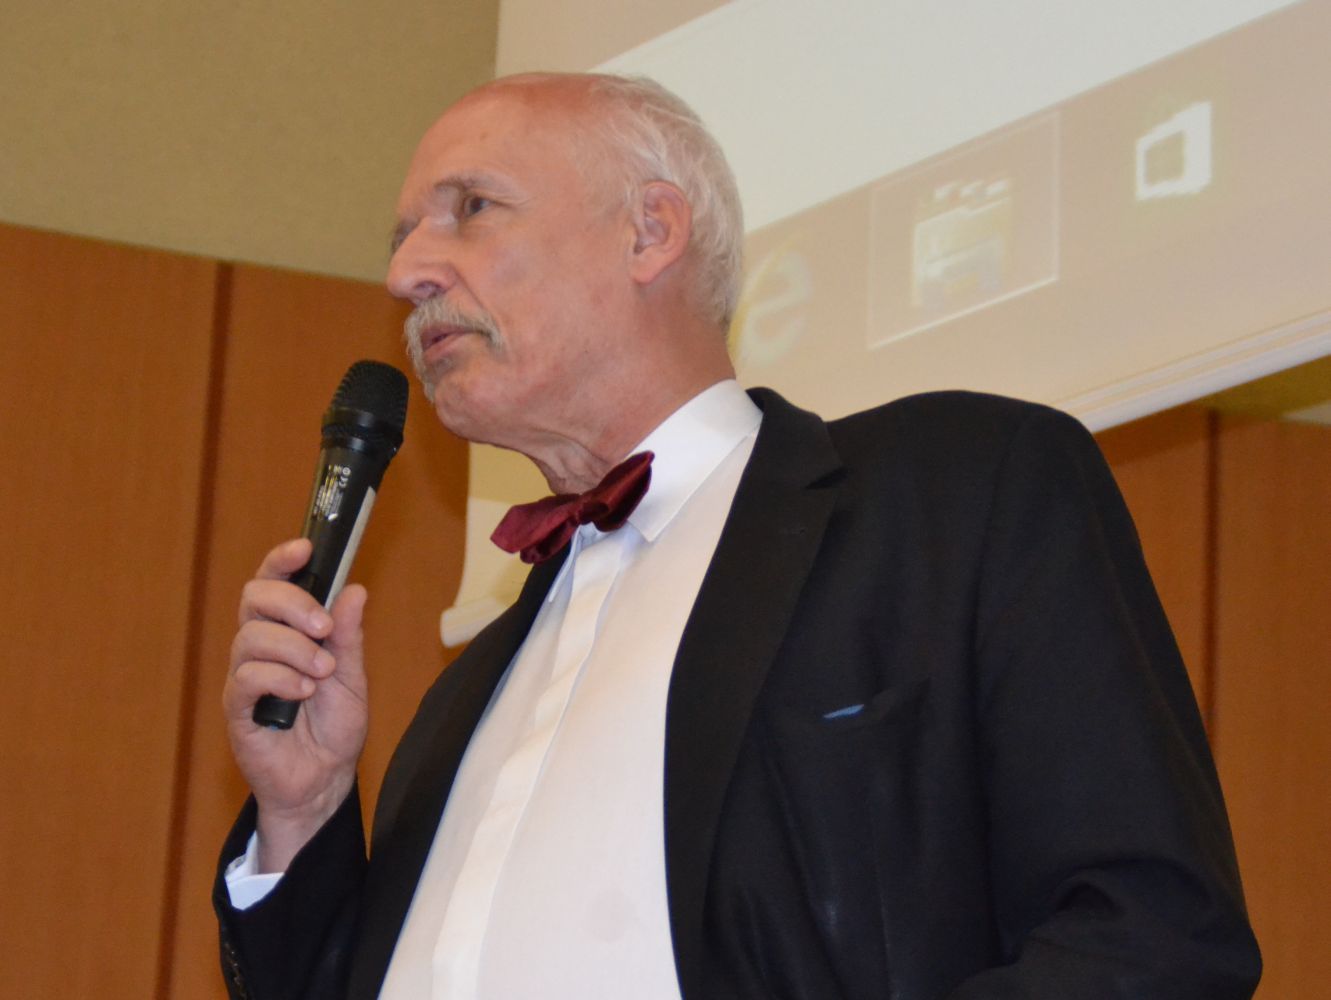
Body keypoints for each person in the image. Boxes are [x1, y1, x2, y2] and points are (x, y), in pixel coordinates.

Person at [215, 73, 1260, 999]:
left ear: (649, 231)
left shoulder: (955, 493)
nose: (407, 274)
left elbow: (1149, 935)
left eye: (471, 209)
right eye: (402, 238)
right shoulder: (460, 700)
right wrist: (301, 814)